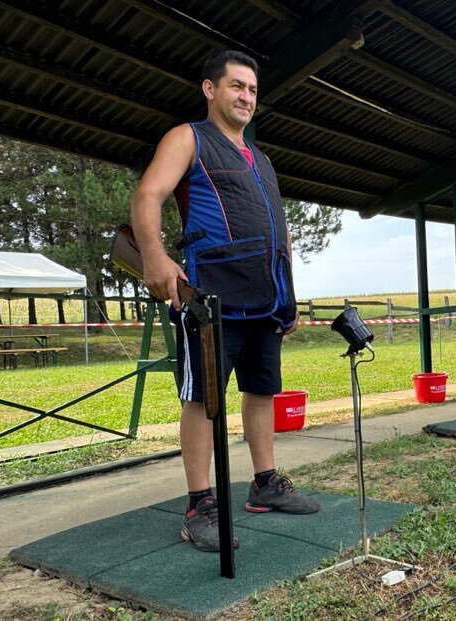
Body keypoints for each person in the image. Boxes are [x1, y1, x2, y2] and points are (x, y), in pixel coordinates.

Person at [131, 50, 319, 553]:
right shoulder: (187, 137)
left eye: (253, 90)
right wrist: (155, 258)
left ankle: (264, 483)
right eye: (237, 86)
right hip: (212, 298)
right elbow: (147, 195)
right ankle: (199, 506)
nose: (246, 97)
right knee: (202, 399)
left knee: (262, 391)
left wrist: (291, 294)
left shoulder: (262, 159)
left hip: (268, 299)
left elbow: (281, 233)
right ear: (210, 89)